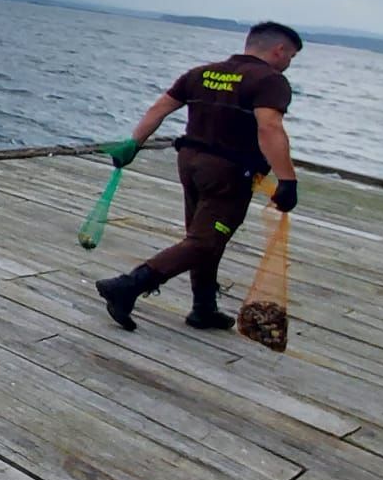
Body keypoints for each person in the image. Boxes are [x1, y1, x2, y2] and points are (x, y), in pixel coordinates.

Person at [96, 21, 303, 331]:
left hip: (190, 164)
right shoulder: (269, 80)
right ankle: (129, 285)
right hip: (228, 173)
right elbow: (269, 127)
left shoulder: (203, 72)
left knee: (204, 236)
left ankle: (203, 307)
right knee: (205, 241)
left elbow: (161, 106)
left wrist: (133, 143)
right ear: (279, 49)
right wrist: (287, 180)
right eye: (291, 57)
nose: (289, 64)